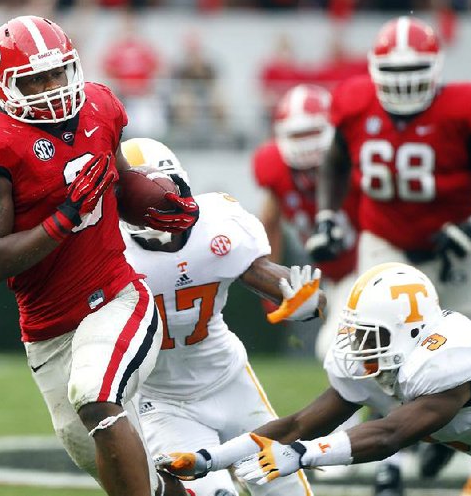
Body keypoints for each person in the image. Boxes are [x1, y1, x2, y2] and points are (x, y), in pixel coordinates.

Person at [0, 15, 200, 496]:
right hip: (48, 332)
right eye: (34, 79)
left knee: (96, 397)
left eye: (58, 73)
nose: (51, 87)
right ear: (4, 85)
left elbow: (120, 183)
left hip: (117, 298)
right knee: (129, 473)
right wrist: (64, 217)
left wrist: (158, 201)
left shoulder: (100, 106)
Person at [306, 15, 471, 494]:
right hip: (385, 239)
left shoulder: (465, 107)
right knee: (363, 348)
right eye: (394, 73)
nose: (404, 85)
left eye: (415, 72)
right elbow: (335, 161)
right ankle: (395, 460)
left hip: (457, 249)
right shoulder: (354, 103)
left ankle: (466, 462)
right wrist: (327, 216)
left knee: (468, 358)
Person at [154, 262, 471, 494]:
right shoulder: (384, 364)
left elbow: (388, 435)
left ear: (411, 331)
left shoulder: (445, 360)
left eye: (370, 336)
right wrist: (209, 459)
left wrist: (302, 455)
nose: (359, 346)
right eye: (356, 334)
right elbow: (297, 425)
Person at [119, 137, 320, 496]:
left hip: (229, 380)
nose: (157, 205)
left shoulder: (216, 223)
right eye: (142, 199)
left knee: (286, 488)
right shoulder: (109, 248)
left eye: (165, 191)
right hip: (161, 401)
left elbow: (268, 275)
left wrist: (303, 297)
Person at [253, 83, 359, 361]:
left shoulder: (354, 158)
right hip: (328, 272)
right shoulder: (272, 165)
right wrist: (269, 284)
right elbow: (270, 222)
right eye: (297, 134)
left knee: (341, 347)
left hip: (367, 261)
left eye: (313, 132)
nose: (307, 144)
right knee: (341, 349)